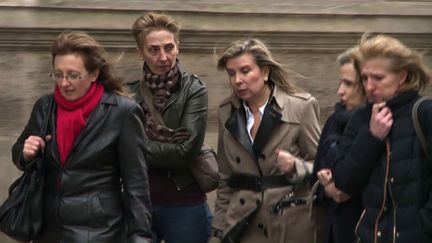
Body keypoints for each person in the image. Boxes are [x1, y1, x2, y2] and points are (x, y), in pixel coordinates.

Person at [11, 31, 152, 242]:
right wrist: (26, 152)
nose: (64, 83)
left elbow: (136, 184)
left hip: (100, 231)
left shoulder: (122, 111)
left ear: (94, 74)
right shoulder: (45, 106)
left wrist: (140, 238)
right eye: (58, 75)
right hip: (49, 231)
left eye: (73, 75)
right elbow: (19, 152)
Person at [211, 38, 321, 243]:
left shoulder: (300, 107)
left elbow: (324, 168)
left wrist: (296, 166)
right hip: (243, 223)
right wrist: (218, 232)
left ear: (265, 72)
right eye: (231, 73)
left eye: (245, 71)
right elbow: (226, 179)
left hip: (288, 224)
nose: (237, 80)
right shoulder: (227, 112)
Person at [325, 34, 432, 243]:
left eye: (378, 78)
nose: (369, 86)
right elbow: (343, 181)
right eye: (365, 78)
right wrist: (371, 136)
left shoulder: (424, 112)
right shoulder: (360, 118)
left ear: (402, 76)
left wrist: (423, 229)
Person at [128, 12, 212, 243]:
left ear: (178, 47)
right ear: (140, 52)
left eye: (169, 47)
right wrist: (169, 142)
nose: (163, 57)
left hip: (185, 204)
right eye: (153, 50)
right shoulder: (128, 95)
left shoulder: (194, 90)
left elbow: (185, 153)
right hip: (138, 204)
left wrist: (134, 148)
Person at [312, 47, 365, 243]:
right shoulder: (335, 120)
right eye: (340, 82)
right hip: (334, 231)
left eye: (349, 84)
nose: (340, 91)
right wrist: (327, 189)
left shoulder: (382, 125)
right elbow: (315, 179)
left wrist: (346, 187)